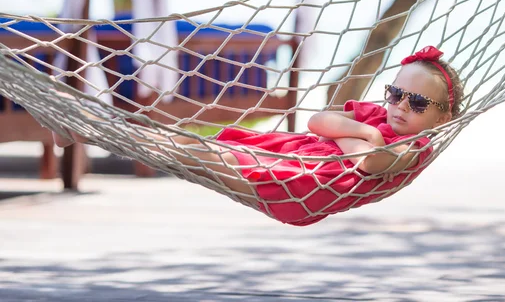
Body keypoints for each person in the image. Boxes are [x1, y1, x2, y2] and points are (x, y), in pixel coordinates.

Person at [53, 45, 464, 226]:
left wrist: (361, 143)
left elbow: (370, 162)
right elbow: (318, 123)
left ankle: (90, 128)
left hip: (303, 184)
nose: (401, 107)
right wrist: (362, 132)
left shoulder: (416, 146)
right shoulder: (374, 119)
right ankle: (89, 128)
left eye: (418, 103)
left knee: (201, 153)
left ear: (443, 118)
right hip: (289, 159)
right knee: (192, 147)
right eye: (395, 93)